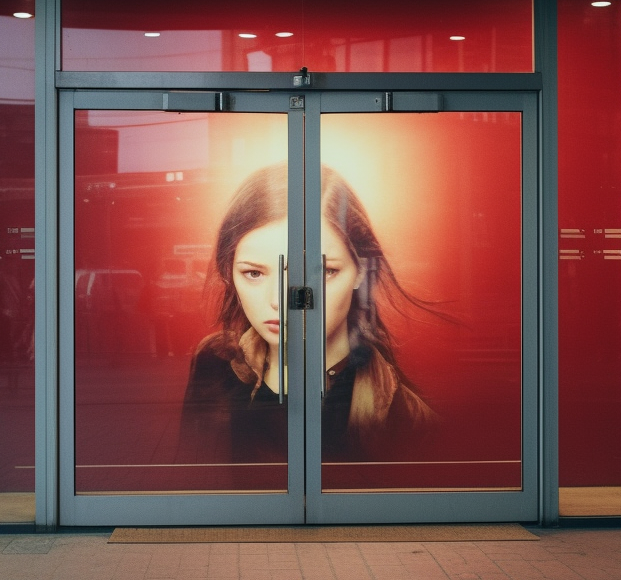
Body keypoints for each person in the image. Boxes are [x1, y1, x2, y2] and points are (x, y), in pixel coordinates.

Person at [181, 164, 437, 465]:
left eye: (320, 272)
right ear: (229, 273)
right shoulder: (216, 361)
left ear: (360, 272)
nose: (279, 300)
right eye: (253, 273)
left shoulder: (406, 418)